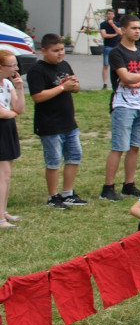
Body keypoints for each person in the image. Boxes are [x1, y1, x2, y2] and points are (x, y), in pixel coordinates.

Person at [27, 34, 87, 210]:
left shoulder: (64, 65)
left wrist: (73, 85)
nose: (60, 54)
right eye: (55, 51)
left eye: (62, 50)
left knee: (74, 156)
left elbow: (75, 87)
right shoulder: (37, 71)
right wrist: (62, 87)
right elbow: (37, 96)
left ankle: (68, 193)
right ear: (44, 51)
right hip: (49, 124)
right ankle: (53, 196)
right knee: (53, 161)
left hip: (69, 122)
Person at [103, 14, 140, 201]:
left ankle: (129, 184)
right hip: (123, 105)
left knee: (135, 147)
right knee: (119, 147)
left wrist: (137, 81)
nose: (137, 31)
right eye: (133, 28)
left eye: (139, 28)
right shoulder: (117, 53)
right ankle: (108, 187)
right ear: (123, 29)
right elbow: (124, 77)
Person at [0, 51, 25, 228]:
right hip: (2, 126)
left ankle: (3, 211)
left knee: (7, 173)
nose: (16, 69)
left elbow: (18, 107)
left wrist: (20, 89)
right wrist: (12, 113)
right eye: (12, 66)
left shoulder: (7, 83)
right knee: (3, 174)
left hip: (8, 127)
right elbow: (2, 112)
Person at [98, 8, 121, 89]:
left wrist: (113, 25)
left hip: (116, 47)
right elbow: (104, 35)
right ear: (106, 15)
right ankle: (105, 83)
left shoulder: (117, 24)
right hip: (107, 46)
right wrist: (114, 35)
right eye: (108, 14)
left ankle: (117, 81)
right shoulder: (103, 24)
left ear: (113, 15)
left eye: (111, 14)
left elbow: (120, 32)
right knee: (106, 65)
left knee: (117, 65)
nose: (110, 15)